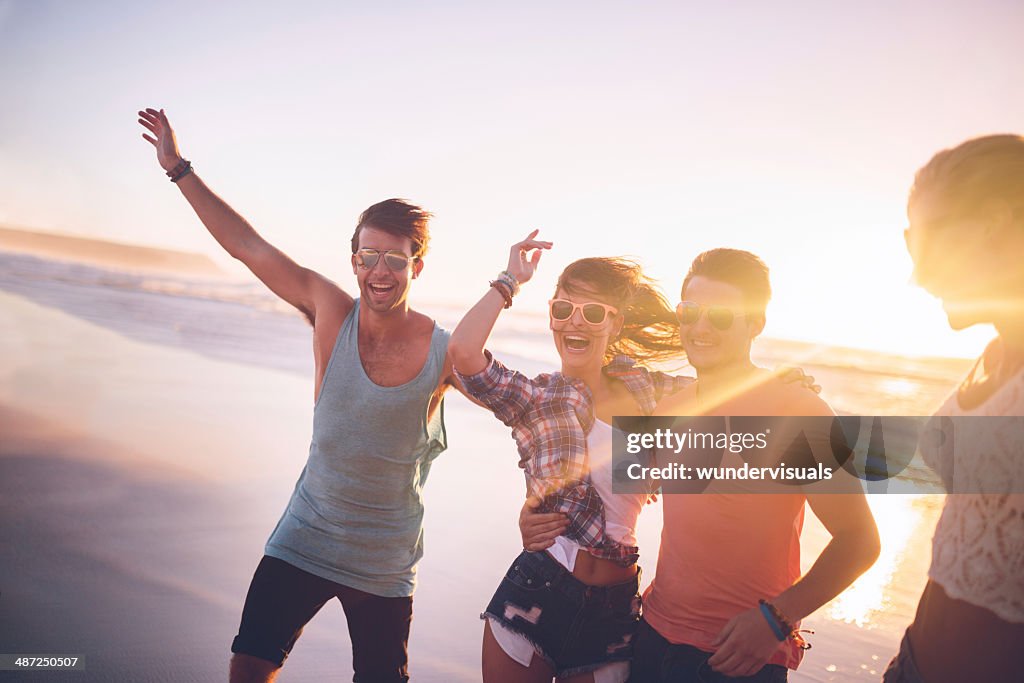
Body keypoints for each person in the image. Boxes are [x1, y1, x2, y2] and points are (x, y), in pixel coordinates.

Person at [137, 108, 463, 683]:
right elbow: (247, 246)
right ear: (353, 258)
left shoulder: (444, 352)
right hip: (304, 538)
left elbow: (525, 406)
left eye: (395, 258)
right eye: (368, 256)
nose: (379, 272)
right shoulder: (329, 311)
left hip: (383, 564)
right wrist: (178, 168)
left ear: (418, 265)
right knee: (249, 666)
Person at [524, 248, 880, 682]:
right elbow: (605, 488)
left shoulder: (797, 412)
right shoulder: (670, 409)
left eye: (722, 316)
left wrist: (775, 619)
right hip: (650, 640)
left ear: (756, 323)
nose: (701, 327)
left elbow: (860, 540)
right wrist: (537, 511)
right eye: (690, 312)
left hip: (738, 656)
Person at [449, 235, 696, 683]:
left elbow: (727, 394)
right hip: (536, 593)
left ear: (614, 323)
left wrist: (785, 386)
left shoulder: (651, 394)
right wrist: (509, 281)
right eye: (563, 309)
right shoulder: (535, 397)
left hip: (613, 615)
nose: (574, 322)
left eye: (593, 311)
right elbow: (464, 353)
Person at [883, 134, 1024, 683]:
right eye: (910, 244)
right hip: (913, 662)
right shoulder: (994, 353)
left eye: (931, 241)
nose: (917, 274)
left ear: (995, 221)